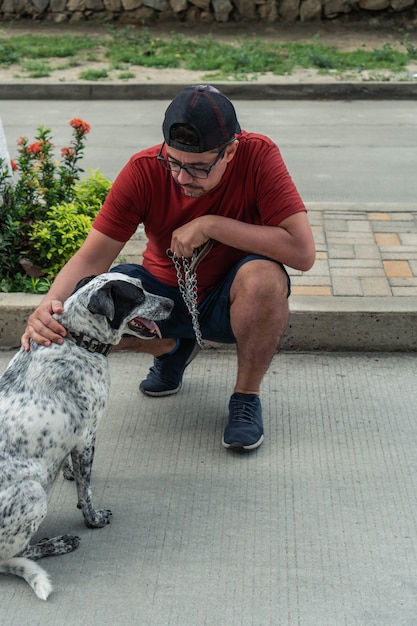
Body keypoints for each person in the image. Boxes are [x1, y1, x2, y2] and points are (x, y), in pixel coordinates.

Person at [22, 84, 315, 451]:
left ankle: (245, 396)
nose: (180, 177)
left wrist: (212, 224)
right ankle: (170, 348)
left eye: (197, 167)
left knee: (264, 278)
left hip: (228, 301)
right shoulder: (143, 169)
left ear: (231, 151)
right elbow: (92, 258)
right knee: (96, 297)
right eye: (172, 162)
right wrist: (50, 309)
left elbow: (302, 252)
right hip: (162, 299)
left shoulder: (258, 155)